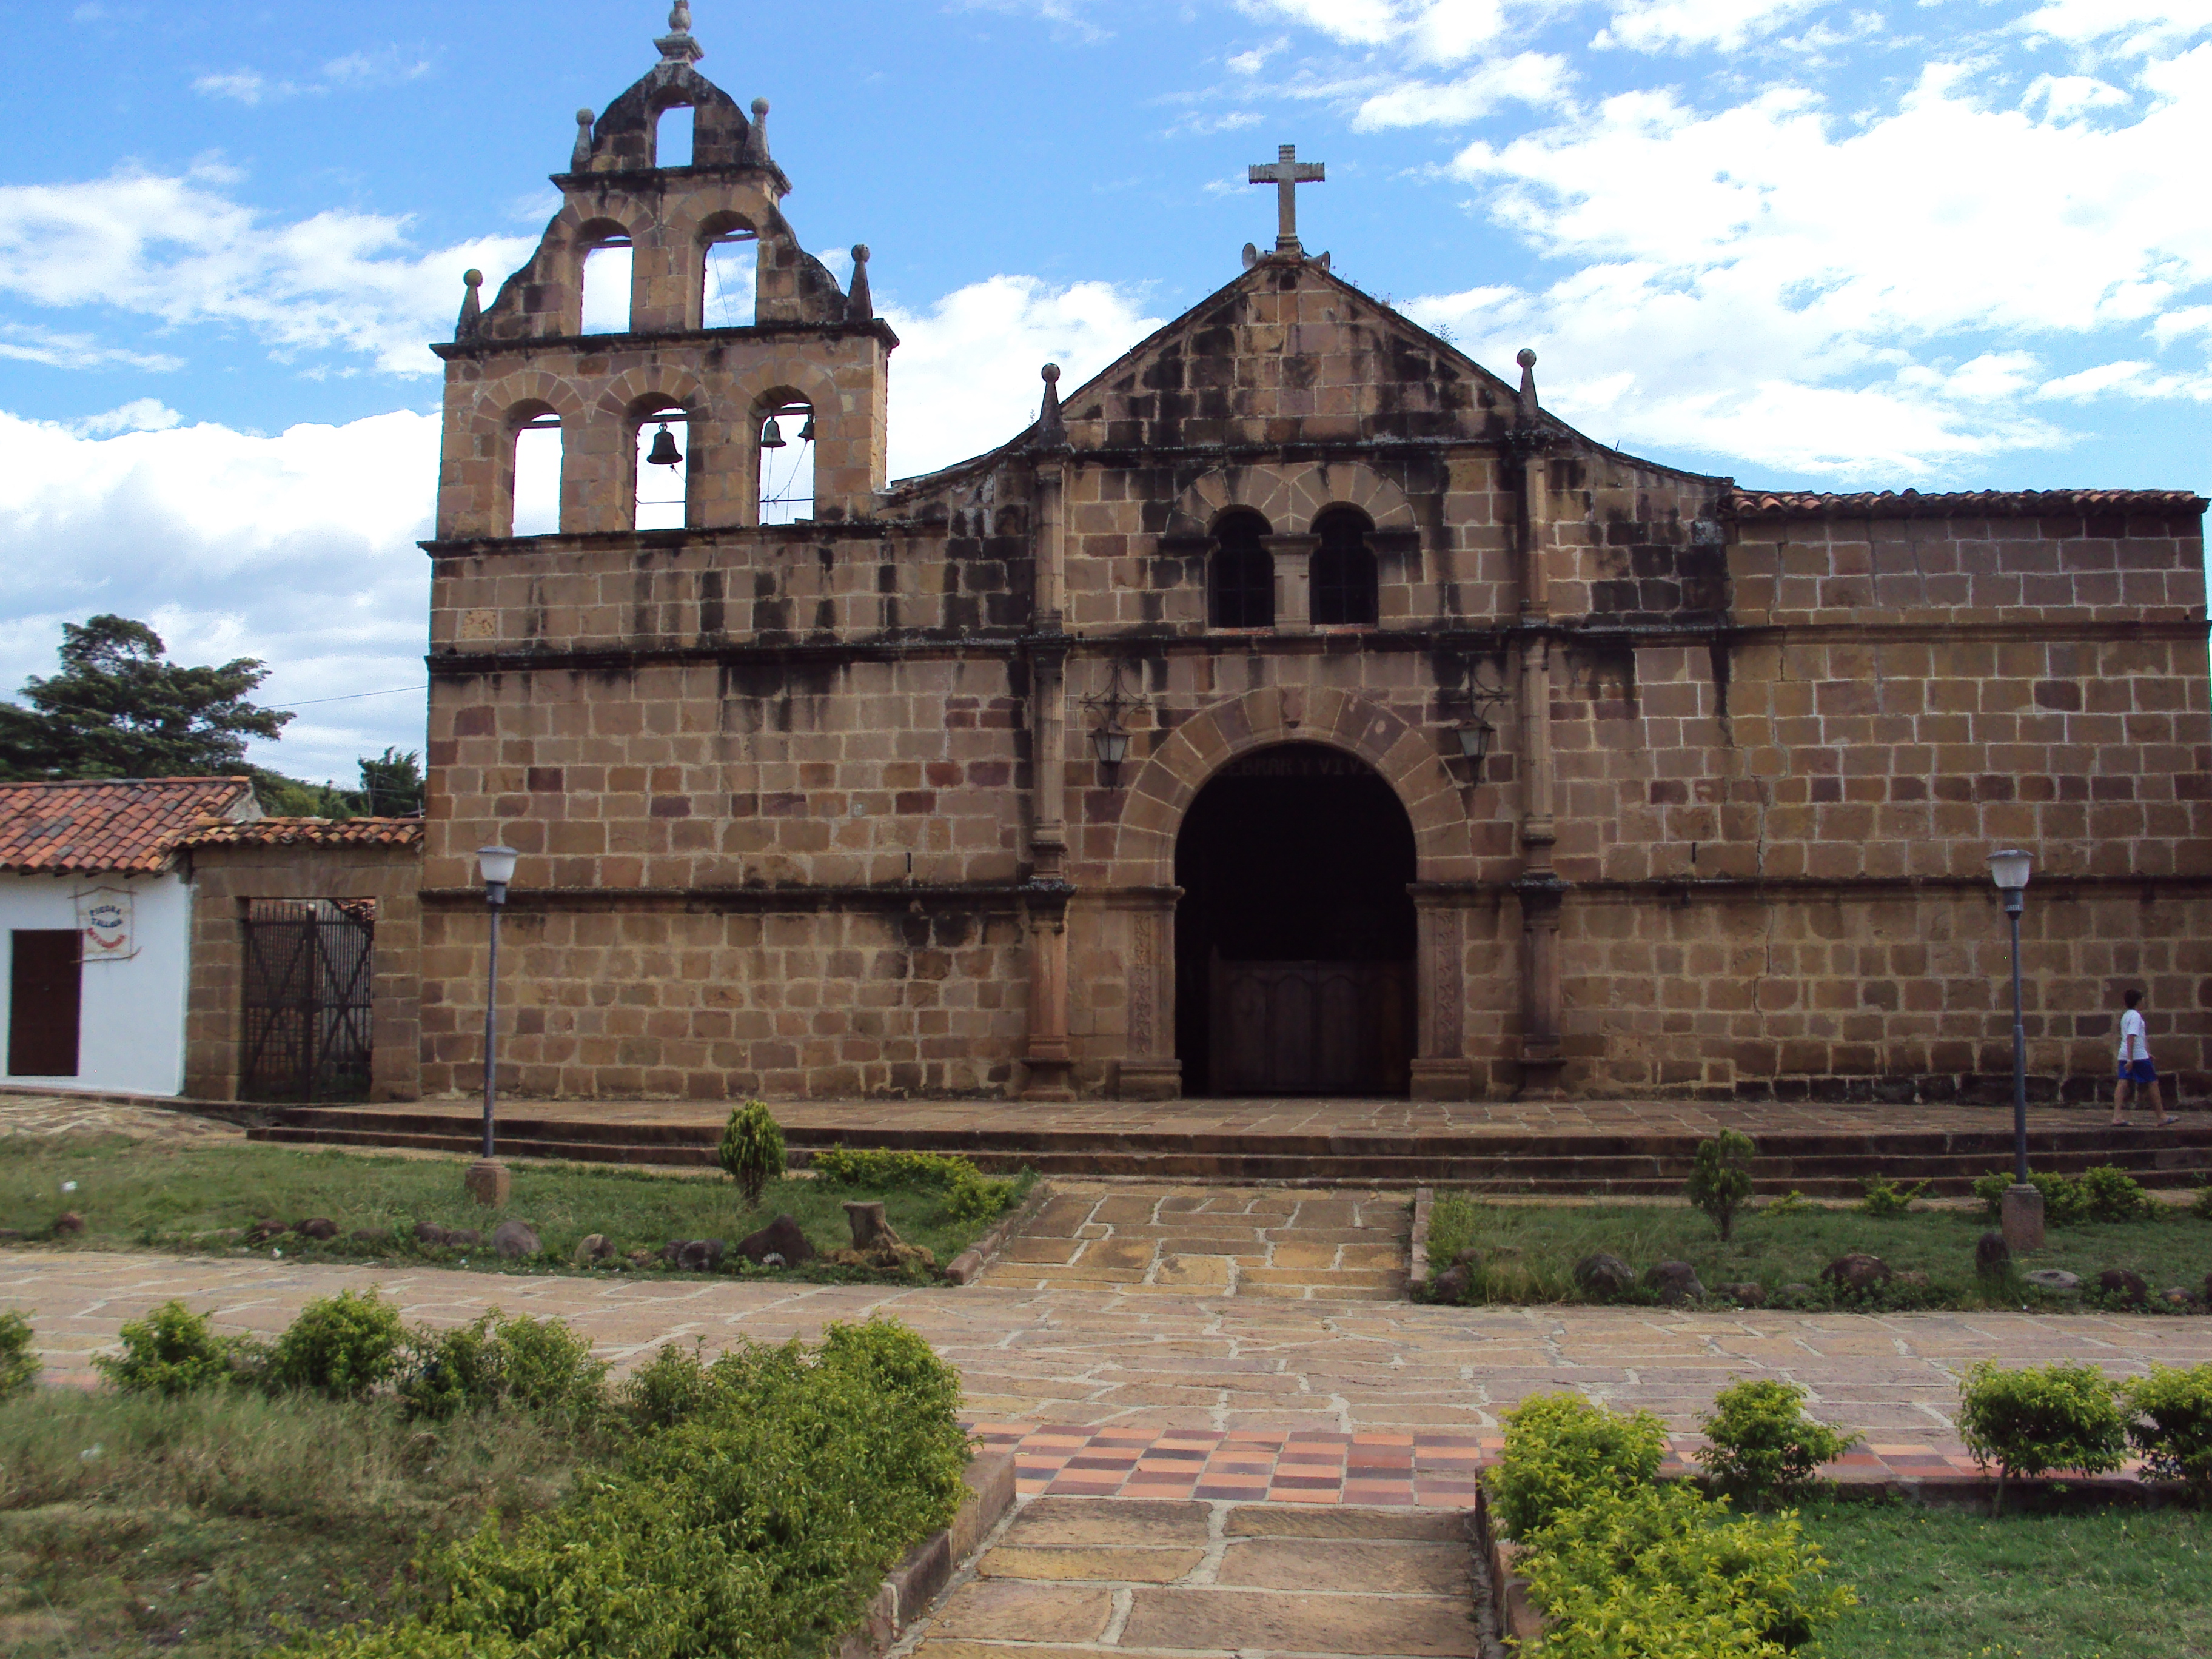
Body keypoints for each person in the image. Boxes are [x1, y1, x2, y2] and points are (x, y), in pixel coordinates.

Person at [2113, 988, 2175, 1127]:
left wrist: (2146, 1052)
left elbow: (2138, 1037)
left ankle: (2117, 1116)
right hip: (2136, 1056)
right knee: (2152, 1083)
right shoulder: (2135, 1016)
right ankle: (2161, 1116)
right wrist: (2131, 1059)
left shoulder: (2126, 1015)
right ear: (2139, 1001)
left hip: (2125, 1053)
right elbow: (2131, 1037)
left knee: (2122, 1083)